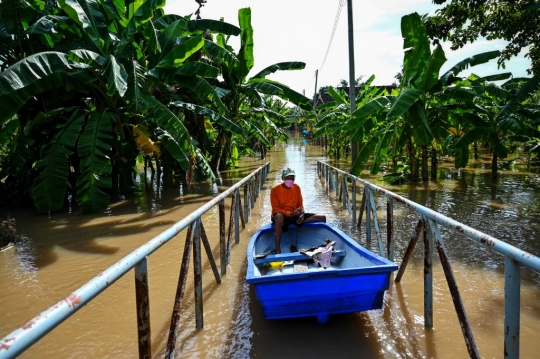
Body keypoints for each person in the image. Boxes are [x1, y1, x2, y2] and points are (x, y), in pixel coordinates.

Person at [270, 167, 326, 254]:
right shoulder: (275, 189)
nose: (290, 180)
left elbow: (300, 204)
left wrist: (301, 214)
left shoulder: (296, 187)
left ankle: (322, 246)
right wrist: (291, 214)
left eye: (292, 178)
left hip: (295, 215)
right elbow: (276, 209)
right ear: (283, 178)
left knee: (322, 218)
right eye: (288, 178)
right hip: (282, 216)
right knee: (278, 216)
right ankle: (278, 249)